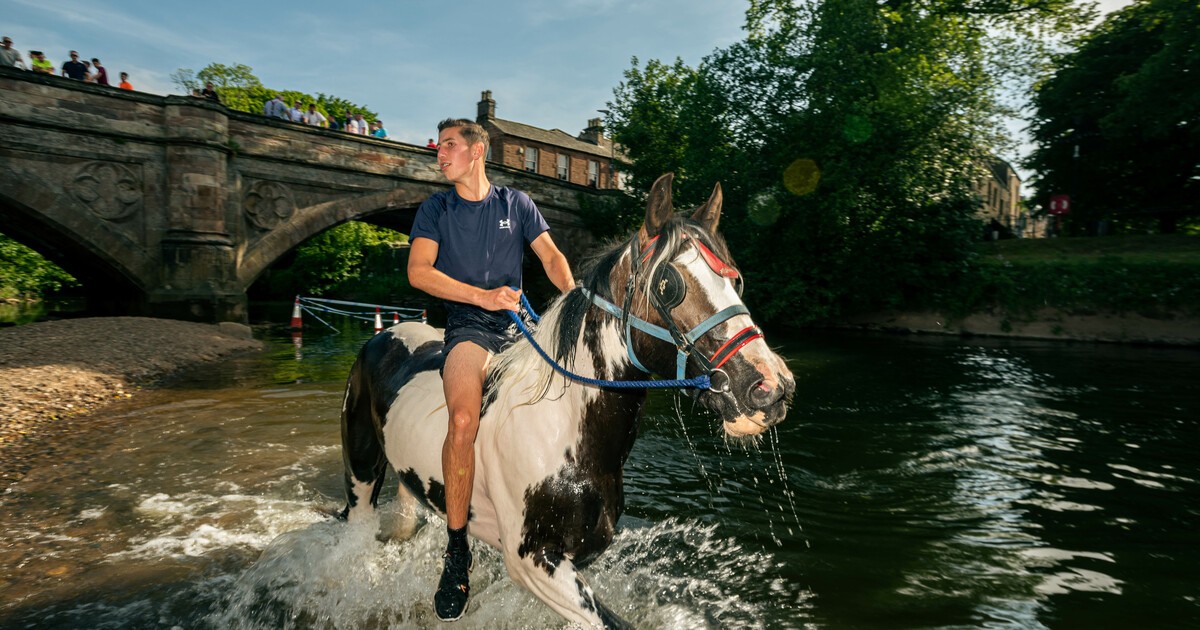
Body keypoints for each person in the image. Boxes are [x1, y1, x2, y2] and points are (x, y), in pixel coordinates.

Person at [407, 118, 574, 621]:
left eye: (451, 145)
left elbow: (550, 256)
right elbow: (419, 273)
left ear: (478, 151)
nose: (441, 153)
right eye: (441, 147)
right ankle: (457, 549)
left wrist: (575, 302)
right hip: (469, 327)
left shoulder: (516, 204)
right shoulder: (436, 209)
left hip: (521, 327)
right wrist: (481, 296)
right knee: (463, 420)